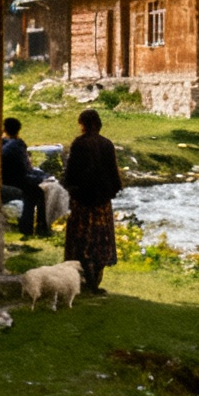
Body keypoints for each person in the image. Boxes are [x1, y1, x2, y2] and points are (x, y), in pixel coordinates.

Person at [59, 108, 123, 296]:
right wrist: (112, 191)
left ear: (83, 124)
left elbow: (71, 173)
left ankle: (89, 280)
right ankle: (95, 281)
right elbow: (114, 174)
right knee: (101, 239)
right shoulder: (107, 144)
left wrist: (68, 189)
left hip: (83, 201)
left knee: (82, 240)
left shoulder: (79, 144)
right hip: (102, 201)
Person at [0, 117, 49, 238]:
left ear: (4, 129)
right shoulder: (17, 145)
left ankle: (27, 228)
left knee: (33, 193)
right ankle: (41, 227)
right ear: (18, 130)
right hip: (16, 180)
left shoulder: (3, 144)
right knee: (42, 189)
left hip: (7, 178)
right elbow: (25, 169)